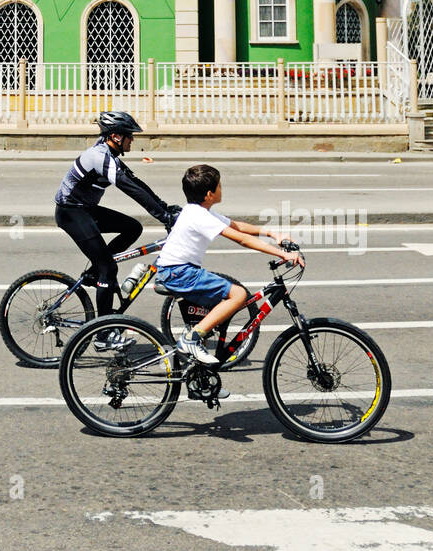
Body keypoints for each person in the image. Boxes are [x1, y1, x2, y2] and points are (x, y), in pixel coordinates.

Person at [154, 163, 305, 366]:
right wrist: (281, 254)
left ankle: (200, 366)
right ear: (209, 194)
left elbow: (238, 226)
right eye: (219, 186)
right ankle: (192, 339)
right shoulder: (199, 216)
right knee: (239, 294)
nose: (221, 189)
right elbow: (241, 239)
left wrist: (272, 234)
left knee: (222, 300)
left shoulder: (197, 210)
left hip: (176, 270)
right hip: (179, 272)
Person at [55, 111, 180, 341]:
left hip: (85, 209)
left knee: (133, 228)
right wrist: (163, 217)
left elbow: (136, 183)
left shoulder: (110, 154)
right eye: (129, 136)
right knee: (108, 269)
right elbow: (129, 189)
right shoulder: (100, 157)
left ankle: (97, 269)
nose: (132, 140)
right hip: (71, 212)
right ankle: (103, 335)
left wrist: (165, 208)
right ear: (115, 136)